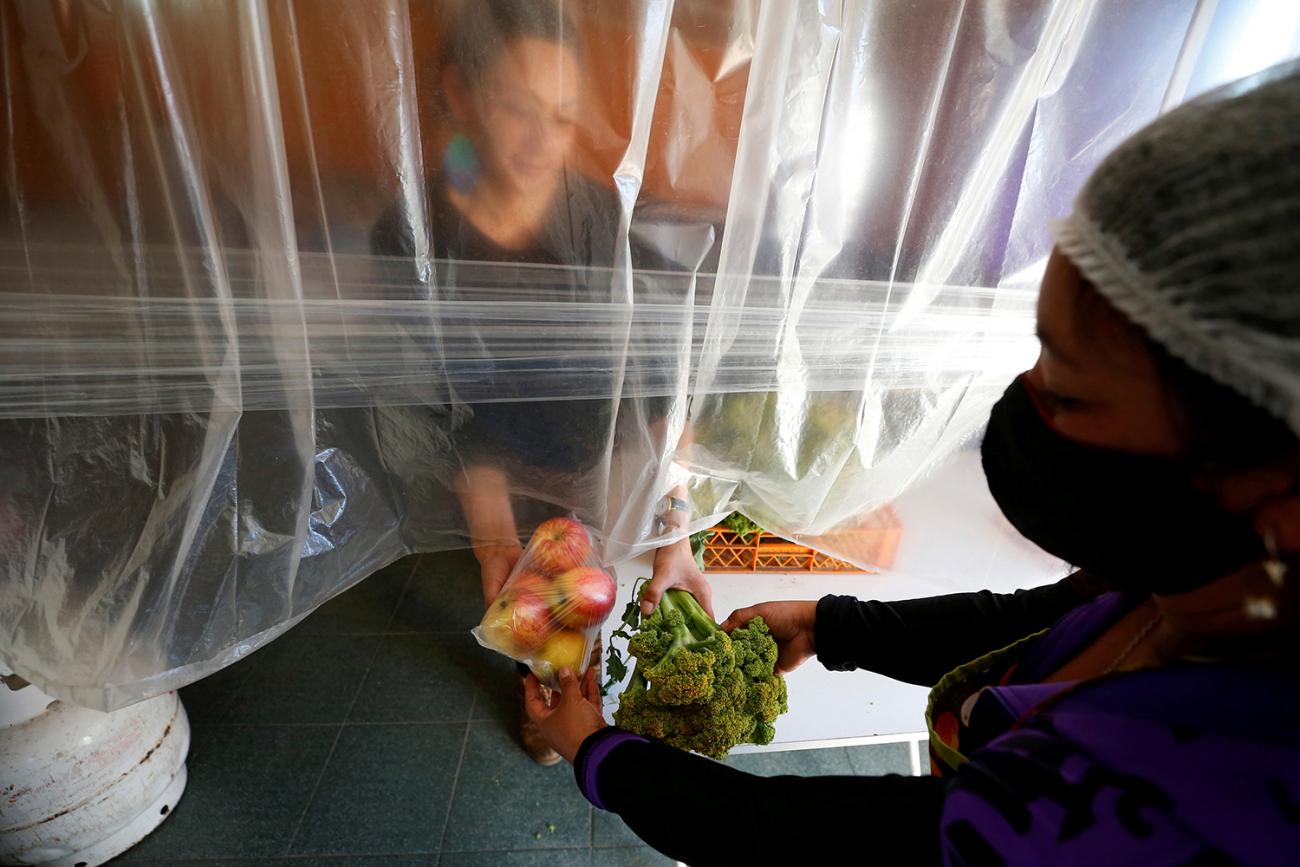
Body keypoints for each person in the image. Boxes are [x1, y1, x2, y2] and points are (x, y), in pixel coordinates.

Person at [521, 62, 1300, 863]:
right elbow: (1030, 622)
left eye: (1068, 392)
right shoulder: (1193, 587)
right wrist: (828, 624)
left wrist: (599, 752)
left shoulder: (1184, 807)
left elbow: (822, 840)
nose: (1020, 404)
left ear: (1278, 481)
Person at [371, 0, 709, 764]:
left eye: (561, 117)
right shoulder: (413, 230)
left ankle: (565, 687)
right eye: (517, 109)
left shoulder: (596, 219)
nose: (541, 141)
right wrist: (495, 544)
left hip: (598, 444)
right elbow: (441, 412)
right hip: (487, 464)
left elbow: (659, 384)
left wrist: (674, 536)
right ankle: (548, 694)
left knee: (593, 588)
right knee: (536, 611)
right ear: (459, 95)